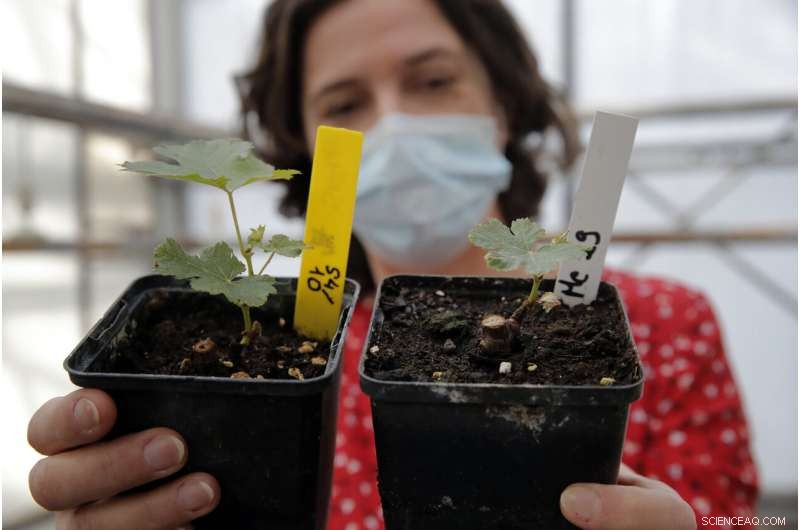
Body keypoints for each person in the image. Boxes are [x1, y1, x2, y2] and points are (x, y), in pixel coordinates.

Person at [27, 1, 759, 529]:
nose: (393, 125)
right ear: (307, 153)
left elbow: (733, 520)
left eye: (433, 81)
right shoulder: (293, 352)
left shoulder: (664, 326)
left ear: (502, 106)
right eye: (345, 104)